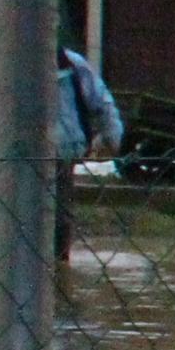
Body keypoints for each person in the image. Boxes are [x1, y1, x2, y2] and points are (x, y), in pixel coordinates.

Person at [53, 41, 121, 261]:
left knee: (59, 215)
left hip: (62, 152)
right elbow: (101, 102)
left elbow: (100, 102)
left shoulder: (73, 65)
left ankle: (58, 261)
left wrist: (112, 138)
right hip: (39, 152)